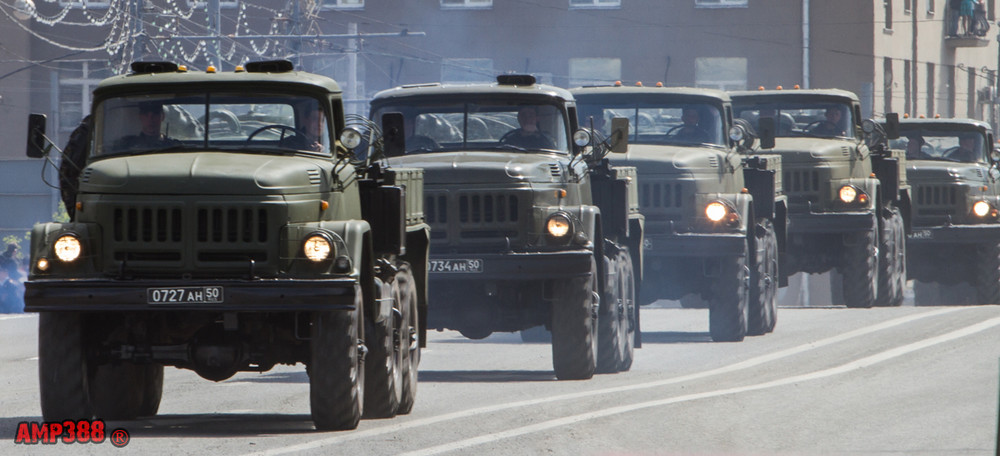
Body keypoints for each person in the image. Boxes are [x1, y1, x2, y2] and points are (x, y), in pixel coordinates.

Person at [115, 102, 180, 151]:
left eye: (155, 114)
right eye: (146, 114)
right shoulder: (126, 145)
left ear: (162, 116)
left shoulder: (174, 146)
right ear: (140, 116)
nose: (150, 119)